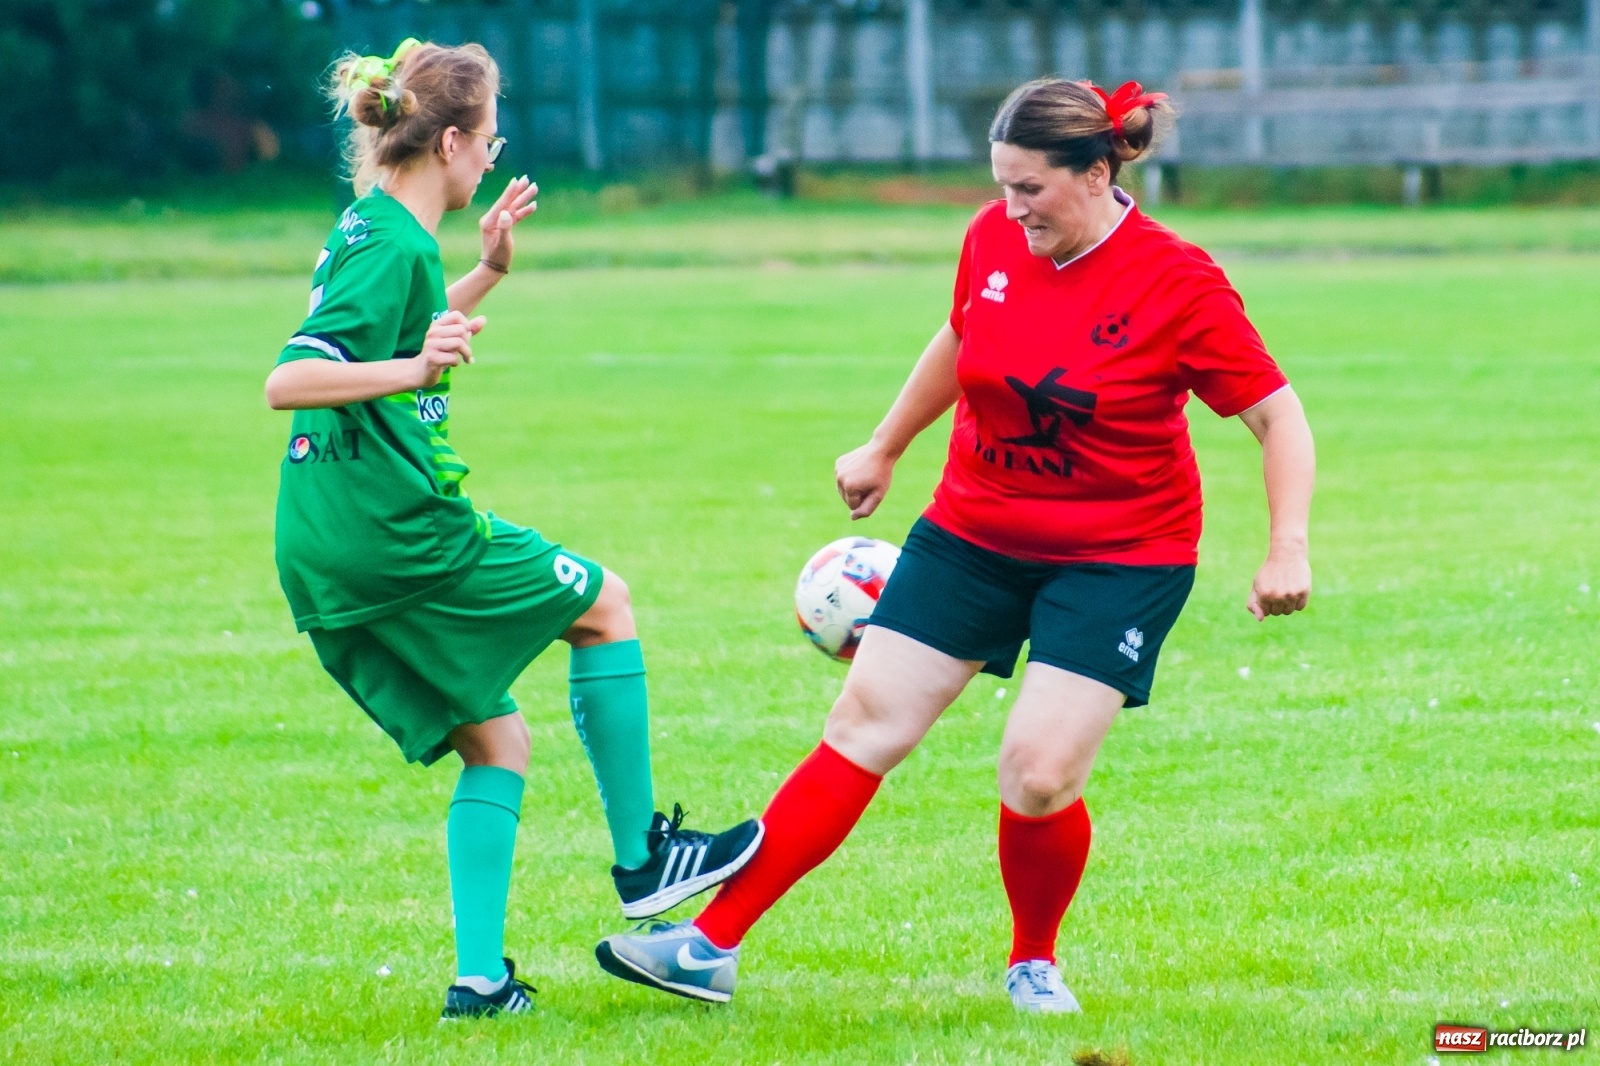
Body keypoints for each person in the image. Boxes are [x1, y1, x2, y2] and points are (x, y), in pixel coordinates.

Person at [595, 77, 1315, 1011]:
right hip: (974, 529)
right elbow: (961, 338)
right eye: (1002, 186)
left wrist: (1287, 547)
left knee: (1039, 773)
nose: (1012, 210)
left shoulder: (1177, 281)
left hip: (1119, 554)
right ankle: (707, 947)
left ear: (1098, 174)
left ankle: (1033, 961)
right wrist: (885, 445)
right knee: (864, 724)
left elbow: (1277, 416)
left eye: (1031, 189)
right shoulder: (991, 239)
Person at [265, 39, 762, 1019]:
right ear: (450, 142)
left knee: (498, 741)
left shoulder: (374, 226)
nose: (491, 160)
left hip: (322, 548)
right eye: (489, 141)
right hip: (397, 534)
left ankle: (480, 983)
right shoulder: (395, 244)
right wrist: (417, 371)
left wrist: (487, 272)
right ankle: (646, 861)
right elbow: (291, 379)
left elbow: (392, 330)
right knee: (604, 602)